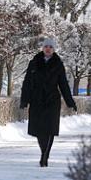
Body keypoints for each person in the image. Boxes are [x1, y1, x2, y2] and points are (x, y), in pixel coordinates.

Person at [20, 38, 77, 167]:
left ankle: (45, 156)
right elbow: (27, 82)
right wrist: (24, 100)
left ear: (54, 49)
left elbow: (63, 84)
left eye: (50, 47)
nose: (48, 49)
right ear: (42, 48)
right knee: (39, 130)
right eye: (46, 46)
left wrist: (70, 102)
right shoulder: (34, 62)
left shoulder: (58, 64)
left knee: (50, 129)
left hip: (52, 100)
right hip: (37, 100)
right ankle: (43, 151)